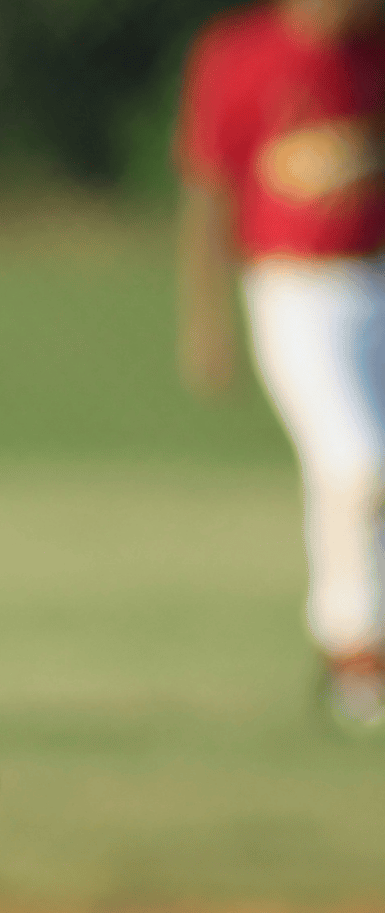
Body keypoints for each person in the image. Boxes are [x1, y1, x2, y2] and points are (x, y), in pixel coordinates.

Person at [177, 0, 385, 729]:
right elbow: (208, 186)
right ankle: (352, 647)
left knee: (355, 476)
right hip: (294, 289)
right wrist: (206, 316)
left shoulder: (373, 51)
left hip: (377, 280)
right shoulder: (242, 53)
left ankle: (360, 652)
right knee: (358, 464)